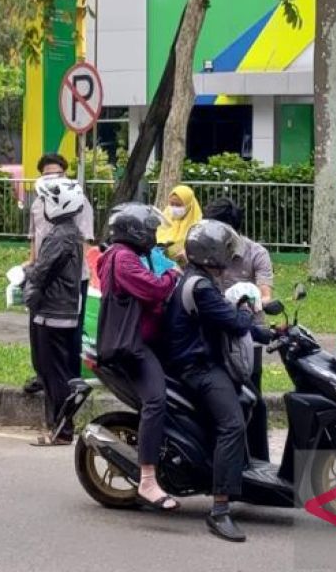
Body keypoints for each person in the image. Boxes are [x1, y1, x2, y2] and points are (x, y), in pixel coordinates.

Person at [159, 220, 274, 543]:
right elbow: (234, 321)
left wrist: (271, 333)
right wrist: (250, 312)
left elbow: (229, 319)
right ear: (211, 254)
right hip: (197, 367)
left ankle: (238, 473)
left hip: (206, 360)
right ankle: (220, 509)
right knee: (232, 424)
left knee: (250, 402)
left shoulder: (201, 281)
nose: (229, 254)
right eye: (224, 249)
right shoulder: (201, 287)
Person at [96, 203, 182, 510]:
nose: (154, 234)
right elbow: (155, 289)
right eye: (150, 229)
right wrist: (174, 275)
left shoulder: (130, 255)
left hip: (145, 340)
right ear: (134, 231)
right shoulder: (122, 259)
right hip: (132, 346)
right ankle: (147, 480)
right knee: (155, 401)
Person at [204, 197, 273, 460]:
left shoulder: (256, 253)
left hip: (247, 336)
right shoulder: (205, 253)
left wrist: (251, 300)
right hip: (214, 333)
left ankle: (258, 460)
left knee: (253, 397)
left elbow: (266, 293)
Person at [23, 153, 96, 396]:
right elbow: (34, 239)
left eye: (57, 174)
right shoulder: (37, 202)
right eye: (47, 175)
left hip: (72, 279)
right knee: (39, 329)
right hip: (44, 275)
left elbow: (85, 241)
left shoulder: (79, 202)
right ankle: (43, 375)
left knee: (69, 331)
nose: (52, 179)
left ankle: (70, 379)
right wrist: (31, 267)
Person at [23, 178, 86, 446]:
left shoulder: (59, 237)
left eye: (47, 200)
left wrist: (24, 272)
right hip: (61, 311)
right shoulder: (70, 233)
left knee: (53, 373)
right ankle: (60, 427)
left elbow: (40, 272)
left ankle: (61, 430)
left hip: (52, 313)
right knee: (56, 371)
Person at [157, 185, 202, 263]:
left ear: (189, 205)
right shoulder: (165, 217)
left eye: (178, 205)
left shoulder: (198, 226)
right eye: (171, 204)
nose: (174, 208)